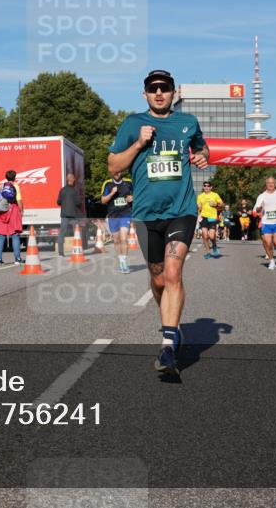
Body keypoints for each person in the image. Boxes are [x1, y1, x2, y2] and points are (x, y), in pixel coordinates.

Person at [108, 69, 209, 376]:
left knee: (174, 272)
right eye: (153, 89)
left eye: (164, 88)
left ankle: (167, 345)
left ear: (174, 92)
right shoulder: (132, 123)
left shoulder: (187, 123)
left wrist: (204, 156)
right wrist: (138, 144)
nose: (159, 93)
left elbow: (202, 147)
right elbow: (114, 166)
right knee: (158, 278)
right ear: (145, 94)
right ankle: (168, 323)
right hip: (145, 215)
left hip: (182, 210)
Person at [100, 171, 134, 273]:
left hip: (125, 214)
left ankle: (124, 262)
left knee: (124, 238)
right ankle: (121, 261)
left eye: (119, 171)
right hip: (113, 216)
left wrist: (133, 198)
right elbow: (103, 200)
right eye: (116, 171)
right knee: (116, 240)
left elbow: (139, 193)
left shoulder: (129, 182)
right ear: (112, 173)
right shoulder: (107, 184)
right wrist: (112, 193)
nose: (117, 173)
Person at [254, 176, 276, 270]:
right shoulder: (261, 196)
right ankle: (272, 261)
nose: (270, 184)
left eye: (272, 182)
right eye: (268, 183)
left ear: (275, 184)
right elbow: (257, 208)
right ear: (266, 184)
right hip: (266, 222)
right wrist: (259, 208)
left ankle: (275, 247)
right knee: (268, 243)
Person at [0, 170, 24, 266]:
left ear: (6, 177)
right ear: (14, 177)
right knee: (14, 235)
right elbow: (19, 200)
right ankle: (17, 259)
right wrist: (21, 210)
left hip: (2, 212)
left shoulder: (0, 186)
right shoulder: (15, 186)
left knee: (1, 235)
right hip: (13, 210)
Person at [56, 172, 83, 256]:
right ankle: (78, 250)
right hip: (74, 215)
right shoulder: (75, 190)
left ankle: (61, 252)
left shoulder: (62, 190)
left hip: (64, 215)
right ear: (72, 179)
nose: (75, 179)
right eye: (74, 178)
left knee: (62, 233)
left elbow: (58, 202)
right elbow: (79, 203)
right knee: (77, 232)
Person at [196, 182, 223, 258]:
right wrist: (199, 208)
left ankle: (214, 246)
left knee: (211, 236)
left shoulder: (215, 195)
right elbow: (199, 207)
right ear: (203, 187)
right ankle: (208, 252)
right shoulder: (200, 196)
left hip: (212, 217)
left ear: (211, 187)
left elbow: (222, 204)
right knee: (204, 235)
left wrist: (216, 204)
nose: (206, 187)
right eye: (205, 186)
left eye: (208, 186)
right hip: (203, 217)